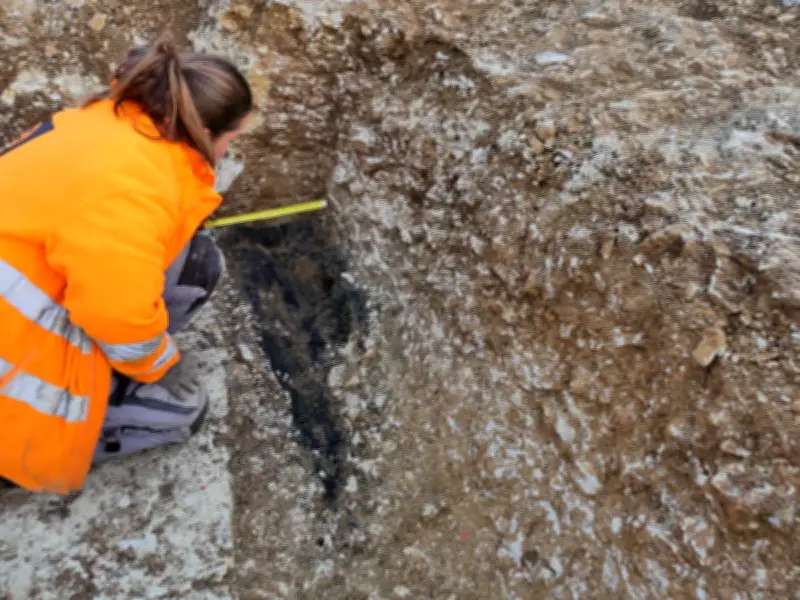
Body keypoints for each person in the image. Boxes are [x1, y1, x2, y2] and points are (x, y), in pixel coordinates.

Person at [0, 37, 253, 494]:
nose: (230, 152)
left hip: (17, 311)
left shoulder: (97, 124)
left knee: (194, 263)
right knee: (182, 411)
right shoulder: (133, 193)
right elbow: (116, 315)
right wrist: (159, 365)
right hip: (11, 378)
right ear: (206, 131)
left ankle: (109, 373)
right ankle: (21, 457)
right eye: (232, 139)